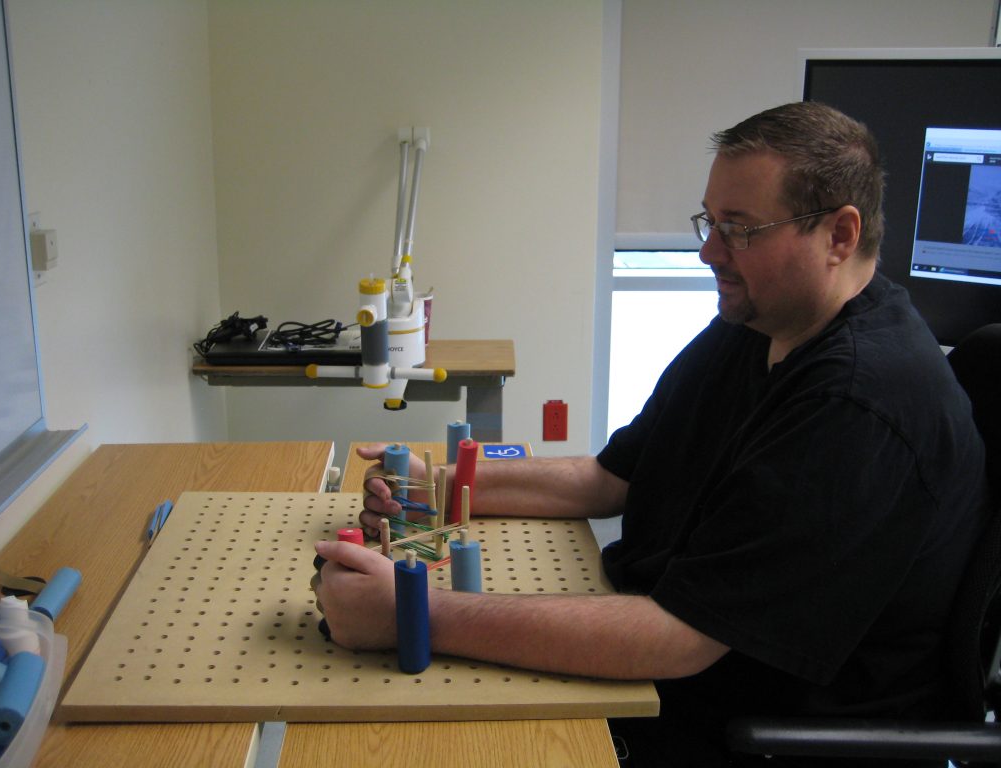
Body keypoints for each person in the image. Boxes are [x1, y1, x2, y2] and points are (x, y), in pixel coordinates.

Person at [313, 102, 991, 766]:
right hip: (671, 667)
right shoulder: (758, 322)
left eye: (740, 228)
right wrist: (434, 487)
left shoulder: (861, 405)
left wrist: (412, 612)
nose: (708, 251)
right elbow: (609, 478)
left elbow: (680, 641)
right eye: (710, 220)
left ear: (839, 237)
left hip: (743, 726)